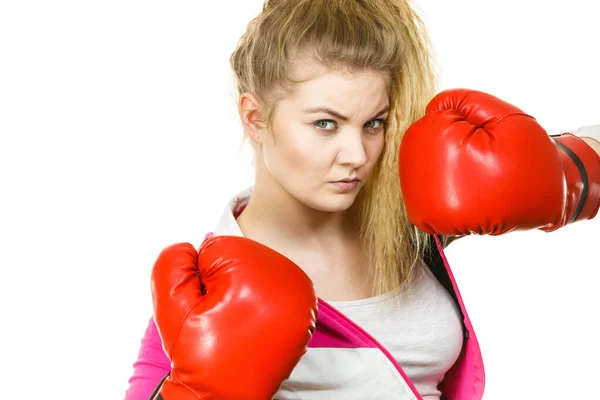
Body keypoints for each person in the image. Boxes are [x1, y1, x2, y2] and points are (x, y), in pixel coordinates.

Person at [124, 0, 600, 399]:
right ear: (254, 117)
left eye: (374, 122)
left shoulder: (405, 221)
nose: (356, 155)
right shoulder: (203, 296)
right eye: (325, 123)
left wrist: (563, 176)